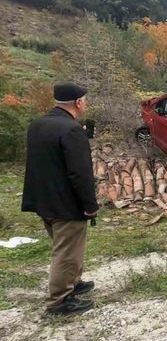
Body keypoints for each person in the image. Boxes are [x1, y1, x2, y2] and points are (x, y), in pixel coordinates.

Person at [21, 83, 99, 315]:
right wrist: (90, 205)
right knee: (66, 252)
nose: (85, 103)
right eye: (84, 100)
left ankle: (73, 283)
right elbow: (80, 173)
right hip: (65, 202)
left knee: (68, 247)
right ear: (77, 103)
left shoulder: (38, 125)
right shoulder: (72, 130)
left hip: (42, 199)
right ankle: (58, 301)